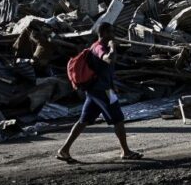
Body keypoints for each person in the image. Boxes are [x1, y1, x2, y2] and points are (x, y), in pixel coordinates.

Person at [56, 22, 142, 162]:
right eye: (111, 32)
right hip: (102, 92)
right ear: (104, 33)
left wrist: (112, 84)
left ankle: (64, 150)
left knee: (83, 121)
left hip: (96, 91)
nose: (113, 35)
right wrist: (113, 47)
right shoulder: (99, 47)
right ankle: (126, 152)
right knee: (118, 119)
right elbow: (108, 59)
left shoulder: (98, 46)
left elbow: (103, 70)